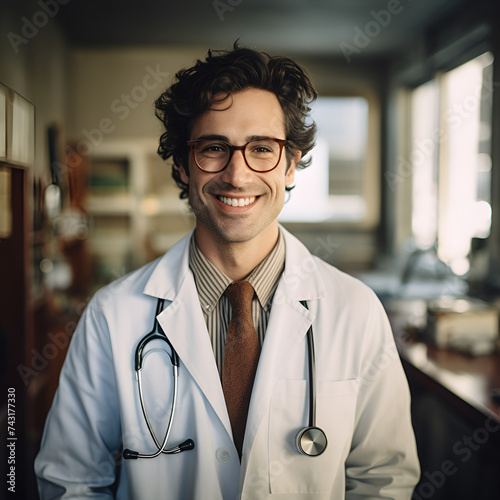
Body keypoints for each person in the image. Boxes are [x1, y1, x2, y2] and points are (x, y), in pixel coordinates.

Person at [35, 43, 420, 499]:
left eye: (262, 148)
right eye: (214, 148)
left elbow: (384, 480)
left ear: (291, 165)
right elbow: (72, 483)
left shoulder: (355, 311)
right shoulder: (112, 316)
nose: (237, 175)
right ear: (182, 165)